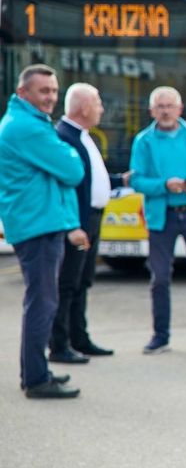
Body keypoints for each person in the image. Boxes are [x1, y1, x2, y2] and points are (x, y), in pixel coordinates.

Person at [0, 64, 88, 398]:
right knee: (42, 303)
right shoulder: (28, 128)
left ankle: (37, 371)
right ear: (23, 92)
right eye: (43, 91)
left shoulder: (28, 122)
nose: (51, 97)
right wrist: (66, 155)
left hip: (38, 222)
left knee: (42, 301)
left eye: (54, 91)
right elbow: (72, 169)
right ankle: (36, 380)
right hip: (38, 226)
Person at [129, 86, 186, 354]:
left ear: (180, 109)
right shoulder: (143, 141)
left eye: (170, 106)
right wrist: (164, 185)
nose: (165, 111)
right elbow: (136, 180)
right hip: (162, 216)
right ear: (152, 111)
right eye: (160, 107)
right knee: (159, 278)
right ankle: (160, 337)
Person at [49, 83, 128, 363]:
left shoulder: (81, 135)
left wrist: (119, 181)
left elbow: (92, 178)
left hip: (92, 218)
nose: (101, 108)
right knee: (67, 283)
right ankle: (59, 345)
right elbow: (67, 186)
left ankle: (79, 339)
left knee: (82, 282)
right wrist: (74, 226)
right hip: (79, 222)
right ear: (83, 107)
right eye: (97, 103)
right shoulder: (64, 137)